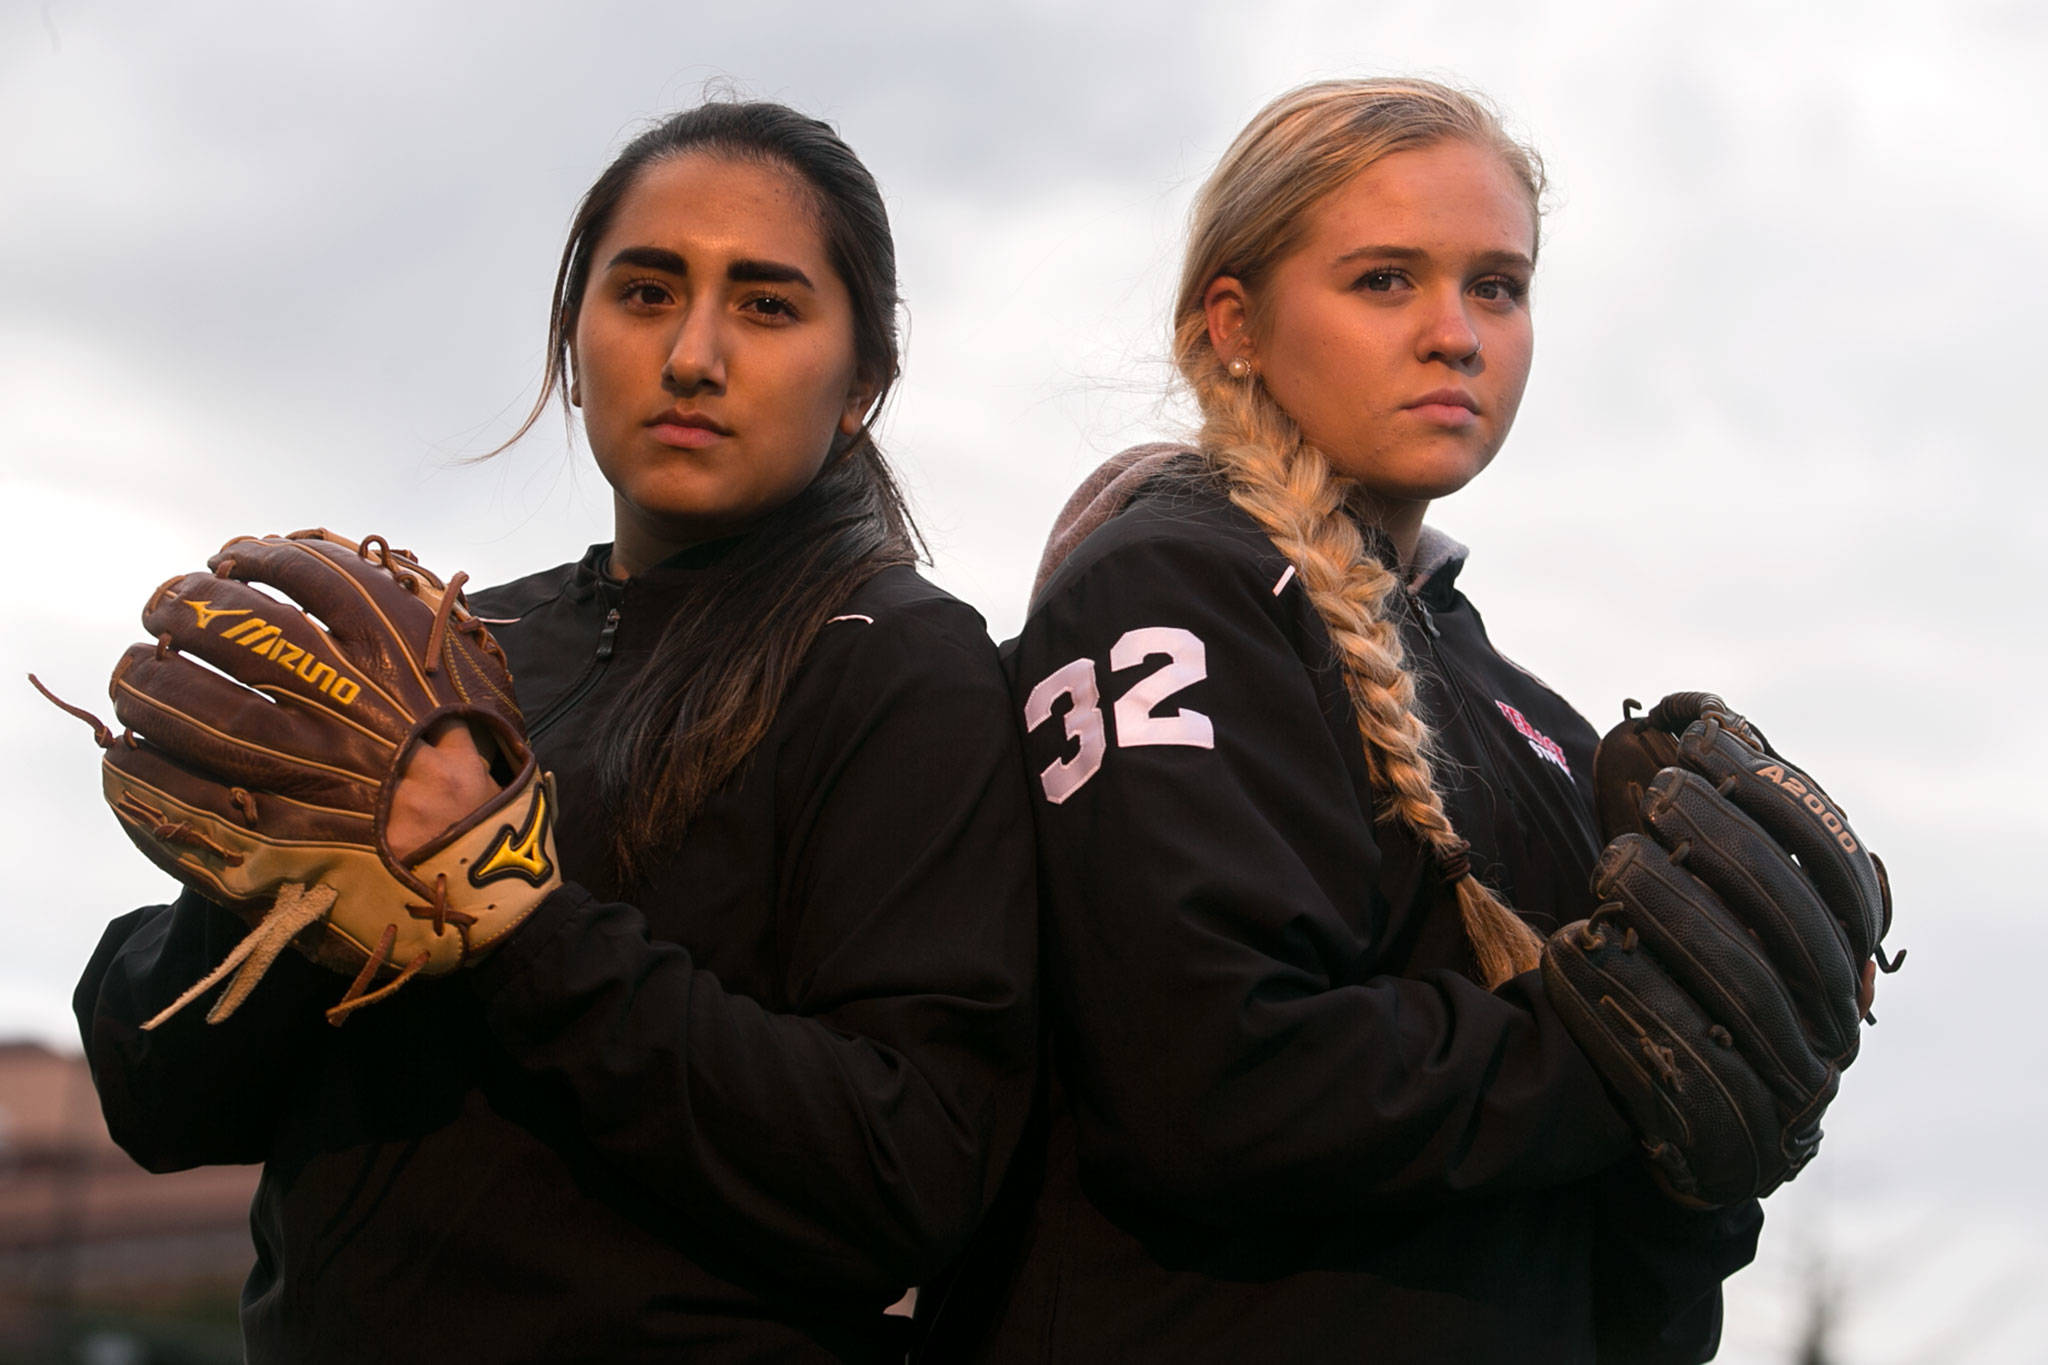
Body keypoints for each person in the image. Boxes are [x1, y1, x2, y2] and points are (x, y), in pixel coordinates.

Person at [74, 101, 1036, 1364]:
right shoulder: (457, 653)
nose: (693, 355)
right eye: (644, 292)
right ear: (576, 342)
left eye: (765, 304)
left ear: (861, 382)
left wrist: (514, 908)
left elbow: (910, 1171)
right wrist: (293, 878)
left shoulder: (898, 662)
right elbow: (159, 1102)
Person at [935, 79, 1774, 1363]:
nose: (1455, 333)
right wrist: (1610, 1058)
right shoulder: (1161, 586)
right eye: (1385, 280)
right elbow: (1210, 1081)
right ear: (1234, 324)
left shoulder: (1533, 719)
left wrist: (1717, 1149)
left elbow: (1634, 1288)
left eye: (1496, 286)